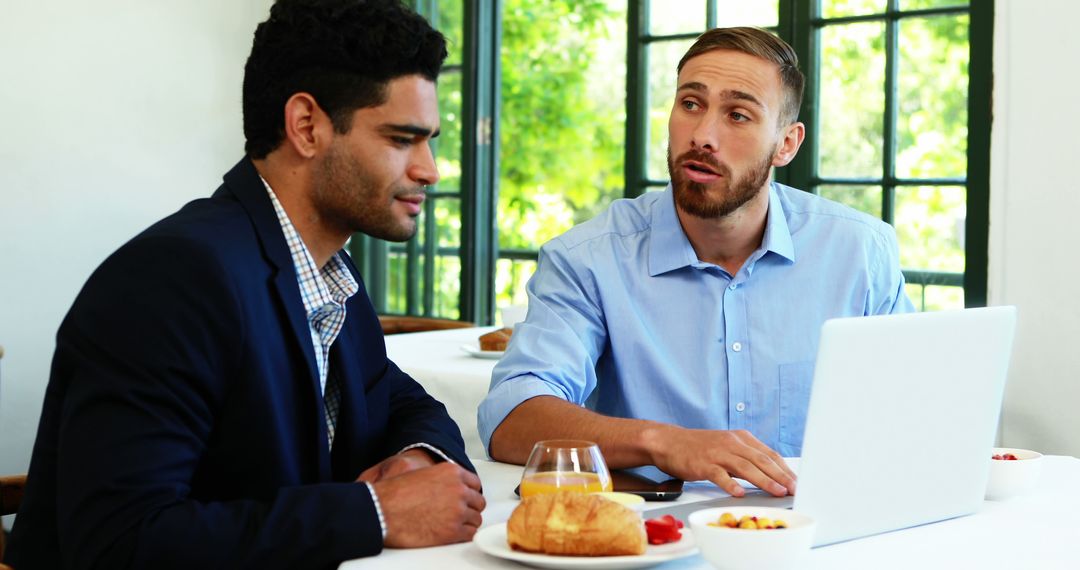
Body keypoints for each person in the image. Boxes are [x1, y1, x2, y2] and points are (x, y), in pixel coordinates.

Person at [4, 1, 485, 568]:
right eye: (402, 139)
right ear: (306, 126)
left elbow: (402, 400)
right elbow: (121, 541)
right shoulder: (174, 278)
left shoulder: (331, 271)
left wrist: (418, 459)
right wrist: (375, 514)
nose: (430, 169)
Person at [478, 27, 914, 499]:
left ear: (786, 144)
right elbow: (509, 418)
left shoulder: (861, 252)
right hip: (649, 538)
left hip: (817, 531)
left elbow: (912, 414)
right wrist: (661, 442)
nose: (703, 136)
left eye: (738, 115)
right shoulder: (586, 260)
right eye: (690, 104)